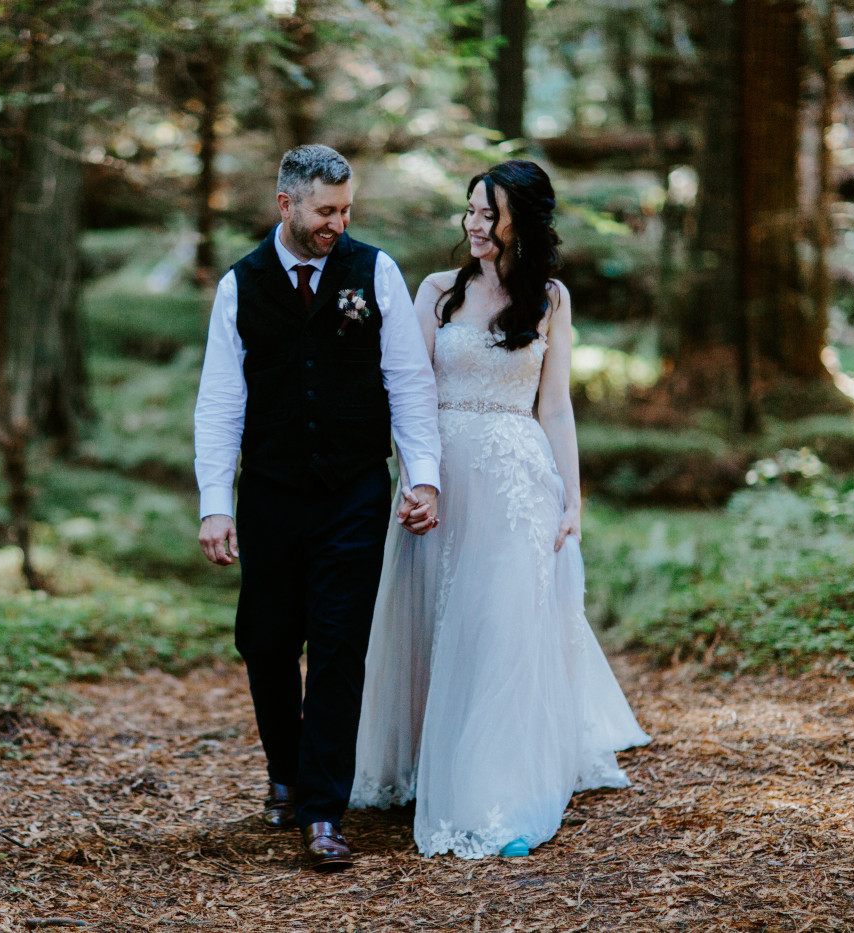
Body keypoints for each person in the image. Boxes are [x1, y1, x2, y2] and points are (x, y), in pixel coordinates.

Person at [350, 160, 650, 859]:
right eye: (470, 211)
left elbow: (555, 406)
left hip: (517, 481)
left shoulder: (549, 298)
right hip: (442, 480)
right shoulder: (438, 292)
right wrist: (414, 476)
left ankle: (498, 791)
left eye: (489, 213)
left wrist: (571, 500)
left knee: (501, 628)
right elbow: (407, 393)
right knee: (437, 621)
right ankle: (431, 764)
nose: (474, 224)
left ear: (524, 220)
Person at [193, 144, 443, 872]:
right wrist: (216, 502)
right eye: (325, 210)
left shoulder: (377, 271)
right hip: (269, 493)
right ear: (286, 206)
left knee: (338, 646)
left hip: (352, 493)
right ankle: (287, 768)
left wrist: (420, 475)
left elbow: (408, 382)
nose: (338, 222)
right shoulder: (241, 285)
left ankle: (322, 810)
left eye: (345, 209)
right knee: (266, 641)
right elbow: (219, 403)